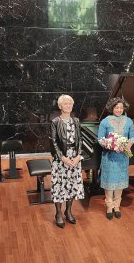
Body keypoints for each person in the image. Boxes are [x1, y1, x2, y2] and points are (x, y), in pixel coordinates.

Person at [50, 94, 85, 228]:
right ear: (60, 106)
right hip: (61, 159)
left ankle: (68, 211)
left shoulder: (76, 120)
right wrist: (63, 158)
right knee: (59, 185)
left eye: (70, 103)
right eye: (65, 104)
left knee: (72, 184)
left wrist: (78, 156)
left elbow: (80, 139)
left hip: (74, 157)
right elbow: (53, 143)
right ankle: (58, 213)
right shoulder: (55, 122)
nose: (68, 106)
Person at [97, 97, 134, 220]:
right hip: (109, 156)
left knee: (120, 180)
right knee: (109, 181)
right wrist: (110, 145)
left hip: (123, 156)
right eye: (116, 107)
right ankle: (109, 206)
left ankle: (117, 206)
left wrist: (128, 144)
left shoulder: (129, 121)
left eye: (121, 107)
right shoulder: (105, 122)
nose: (119, 110)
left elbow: (132, 137)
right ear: (112, 108)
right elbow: (100, 139)